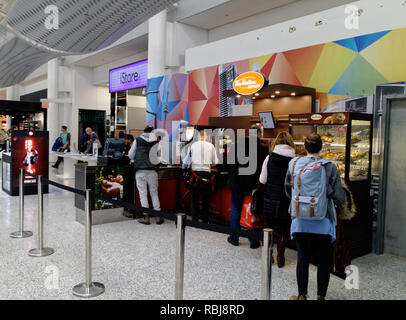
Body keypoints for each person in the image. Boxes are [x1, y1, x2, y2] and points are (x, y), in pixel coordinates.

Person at [285, 133, 345, 300]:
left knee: (302, 257)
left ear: (305, 147)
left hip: (300, 220)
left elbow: (288, 190)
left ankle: (302, 295)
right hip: (323, 221)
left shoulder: (294, 163)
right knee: (324, 261)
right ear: (322, 147)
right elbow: (339, 196)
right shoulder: (329, 167)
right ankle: (321, 297)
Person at [226, 125, 268, 249]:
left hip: (237, 182)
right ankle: (254, 240)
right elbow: (264, 167)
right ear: (259, 134)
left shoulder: (238, 144)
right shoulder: (262, 147)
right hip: (253, 184)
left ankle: (234, 238)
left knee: (236, 209)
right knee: (254, 210)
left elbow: (229, 161)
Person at [259, 132, 296, 267]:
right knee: (283, 229)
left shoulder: (269, 158)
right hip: (286, 200)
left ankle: (268, 255)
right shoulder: (294, 161)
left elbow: (262, 179)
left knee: (268, 227)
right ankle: (281, 257)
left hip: (270, 198)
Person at [129, 126, 164, 225]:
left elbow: (131, 155)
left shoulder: (137, 140)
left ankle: (146, 217)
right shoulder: (157, 142)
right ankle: (158, 217)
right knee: (154, 193)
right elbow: (160, 158)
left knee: (143, 194)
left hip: (140, 171)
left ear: (143, 131)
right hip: (152, 171)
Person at [183, 129, 218, 223]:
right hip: (206, 174)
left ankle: (195, 219)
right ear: (206, 137)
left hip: (195, 175)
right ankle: (205, 220)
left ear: (198, 136)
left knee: (195, 198)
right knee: (206, 199)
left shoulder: (193, 146)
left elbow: (186, 161)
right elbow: (216, 162)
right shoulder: (211, 146)